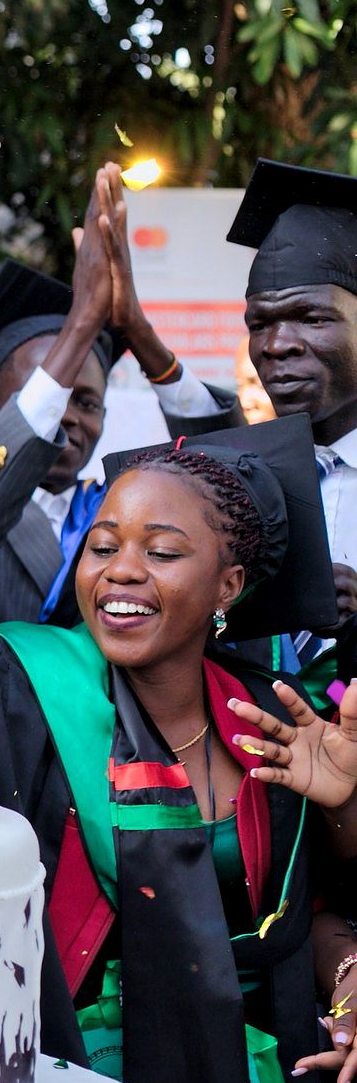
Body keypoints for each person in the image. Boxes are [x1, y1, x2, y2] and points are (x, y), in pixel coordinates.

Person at [0, 417, 357, 1083]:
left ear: (229, 585)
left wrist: (342, 810)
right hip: (58, 1078)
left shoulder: (274, 722)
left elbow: (305, 922)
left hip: (249, 1080)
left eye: (161, 552)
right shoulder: (15, 692)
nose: (120, 570)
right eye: (103, 544)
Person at [0, 166, 238, 627]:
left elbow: (231, 475)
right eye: (54, 398)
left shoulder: (128, 508)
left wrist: (136, 327)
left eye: (88, 403)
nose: (71, 417)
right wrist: (81, 323)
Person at [231, 160, 357, 689]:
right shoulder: (236, 482)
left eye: (312, 317)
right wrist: (234, 607)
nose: (276, 344)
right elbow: (207, 631)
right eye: (259, 323)